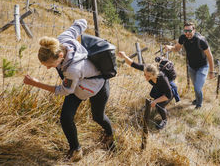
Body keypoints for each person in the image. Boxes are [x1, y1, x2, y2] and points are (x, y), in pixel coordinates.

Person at [23, 19, 114, 162]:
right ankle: (76, 150)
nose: (48, 68)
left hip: (97, 85)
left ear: (60, 56)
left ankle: (110, 136)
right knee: (65, 117)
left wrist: (37, 83)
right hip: (78, 85)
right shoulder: (62, 40)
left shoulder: (72, 69)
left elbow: (64, 90)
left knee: (98, 116)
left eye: (50, 65)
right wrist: (82, 21)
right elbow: (80, 24)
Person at [164, 22, 214, 109]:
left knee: (198, 88)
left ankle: (199, 104)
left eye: (189, 30)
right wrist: (170, 48)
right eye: (185, 31)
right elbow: (177, 48)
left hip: (202, 67)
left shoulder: (201, 40)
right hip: (191, 67)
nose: (187, 33)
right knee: (195, 86)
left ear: (194, 30)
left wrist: (212, 71)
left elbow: (210, 56)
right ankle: (197, 99)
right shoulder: (183, 38)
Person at [118, 51, 173, 129]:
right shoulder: (147, 69)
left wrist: (156, 101)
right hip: (159, 89)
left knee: (159, 105)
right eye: (145, 75)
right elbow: (133, 64)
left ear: (154, 75)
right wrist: (124, 56)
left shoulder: (162, 79)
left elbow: (168, 95)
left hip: (169, 91)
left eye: (148, 76)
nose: (146, 78)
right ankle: (158, 107)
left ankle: (164, 120)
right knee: (154, 98)